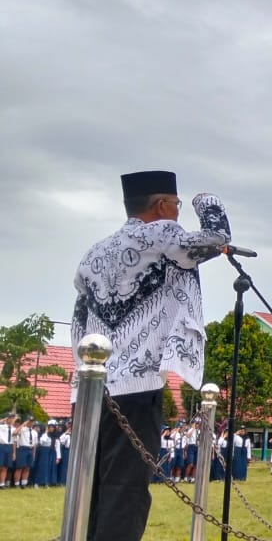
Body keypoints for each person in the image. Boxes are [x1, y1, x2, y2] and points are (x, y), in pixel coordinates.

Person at [71, 170, 231, 541]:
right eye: (175, 205)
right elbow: (215, 239)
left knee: (89, 488)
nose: (177, 213)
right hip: (135, 385)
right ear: (161, 205)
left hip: (92, 384)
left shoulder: (95, 250)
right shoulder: (161, 232)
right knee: (125, 489)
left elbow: (80, 316)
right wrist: (207, 202)